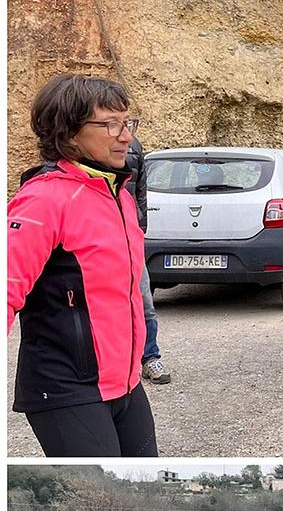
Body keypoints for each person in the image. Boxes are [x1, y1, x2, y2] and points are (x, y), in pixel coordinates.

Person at [7, 73, 156, 457]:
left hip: (123, 380)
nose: (126, 136)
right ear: (69, 133)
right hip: (65, 385)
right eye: (111, 124)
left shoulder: (118, 192)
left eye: (128, 123)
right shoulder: (44, 198)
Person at [124, 137, 171, 384]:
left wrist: (139, 231)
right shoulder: (83, 141)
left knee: (144, 303)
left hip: (131, 237)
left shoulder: (133, 146)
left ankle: (150, 357)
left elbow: (141, 191)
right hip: (97, 237)